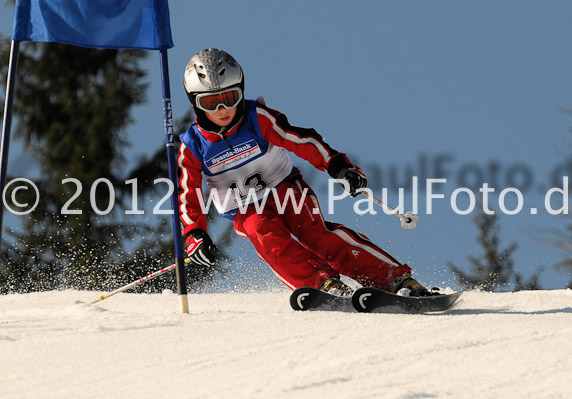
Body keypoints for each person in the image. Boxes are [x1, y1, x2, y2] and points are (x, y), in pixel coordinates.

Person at [177, 48, 431, 297]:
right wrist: (194, 234)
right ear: (195, 103)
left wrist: (337, 165)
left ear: (241, 93)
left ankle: (392, 278)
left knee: (315, 235)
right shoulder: (193, 146)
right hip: (245, 208)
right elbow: (189, 193)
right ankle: (321, 285)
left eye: (230, 98)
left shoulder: (257, 119)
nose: (222, 109)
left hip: (286, 189)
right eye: (210, 102)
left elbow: (301, 140)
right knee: (264, 234)